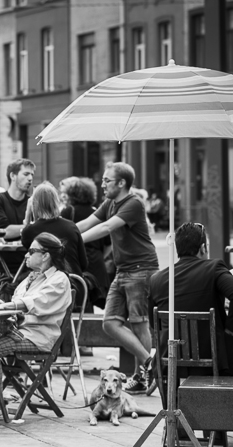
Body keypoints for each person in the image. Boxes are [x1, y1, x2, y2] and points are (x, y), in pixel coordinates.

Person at [0, 233, 73, 422]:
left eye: (31, 251)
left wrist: (6, 306)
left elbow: (36, 303)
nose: (26, 255)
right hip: (18, 332)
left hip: (38, 337)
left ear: (45, 255)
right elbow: (16, 302)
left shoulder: (59, 279)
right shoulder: (31, 278)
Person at [77, 162, 159, 393]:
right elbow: (86, 224)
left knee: (139, 324)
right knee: (110, 323)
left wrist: (75, 240)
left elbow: (105, 228)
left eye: (107, 180)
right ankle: (149, 364)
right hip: (123, 270)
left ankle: (142, 377)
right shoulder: (109, 203)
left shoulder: (133, 203)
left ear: (121, 183)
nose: (101, 184)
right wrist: (62, 232)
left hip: (142, 269)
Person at [148, 223, 233, 377]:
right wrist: (231, 330)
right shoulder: (213, 268)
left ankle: (171, 401)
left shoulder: (156, 279)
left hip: (169, 361)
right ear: (202, 248)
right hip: (213, 359)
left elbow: (155, 324)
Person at [59, 177, 110, 308]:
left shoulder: (68, 211)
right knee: (91, 304)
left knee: (79, 303)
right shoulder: (97, 212)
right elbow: (109, 244)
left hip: (78, 264)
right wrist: (100, 256)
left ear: (72, 194)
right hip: (97, 264)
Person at [20, 183, 88, 279]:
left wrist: (28, 215)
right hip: (76, 285)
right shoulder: (71, 226)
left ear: (35, 204)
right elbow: (83, 264)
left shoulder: (30, 230)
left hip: (48, 287)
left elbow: (30, 260)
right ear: (56, 202)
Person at [0, 158, 35, 295]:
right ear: (13, 176)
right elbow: (2, 231)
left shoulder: (32, 202)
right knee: (0, 312)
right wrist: (28, 227)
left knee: (27, 314)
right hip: (1, 268)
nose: (30, 178)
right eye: (26, 174)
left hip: (28, 266)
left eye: (32, 175)